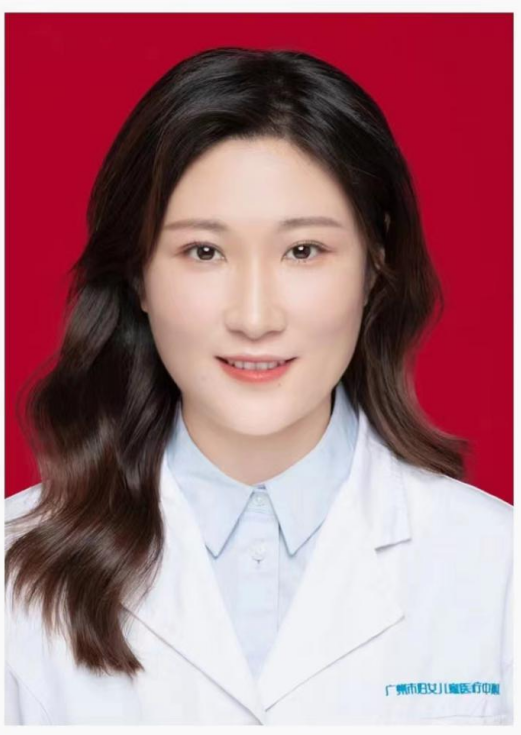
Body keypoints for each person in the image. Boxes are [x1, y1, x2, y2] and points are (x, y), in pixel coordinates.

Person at [5, 46, 512, 726]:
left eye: (303, 251)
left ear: (374, 264)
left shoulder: (498, 565)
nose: (254, 317)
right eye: (204, 251)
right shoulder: (11, 570)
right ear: (138, 276)